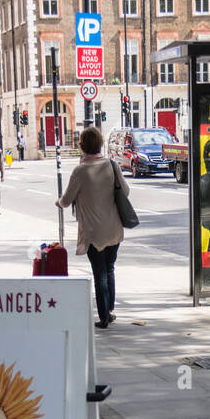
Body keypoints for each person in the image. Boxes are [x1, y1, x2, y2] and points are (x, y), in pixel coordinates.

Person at [57, 125, 129, 330]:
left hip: (92, 232)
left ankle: (104, 316)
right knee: (110, 268)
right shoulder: (112, 165)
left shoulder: (80, 171)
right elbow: (126, 190)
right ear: (100, 144)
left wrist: (59, 203)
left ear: (82, 146)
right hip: (113, 228)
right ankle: (111, 310)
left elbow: (67, 199)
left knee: (99, 274)